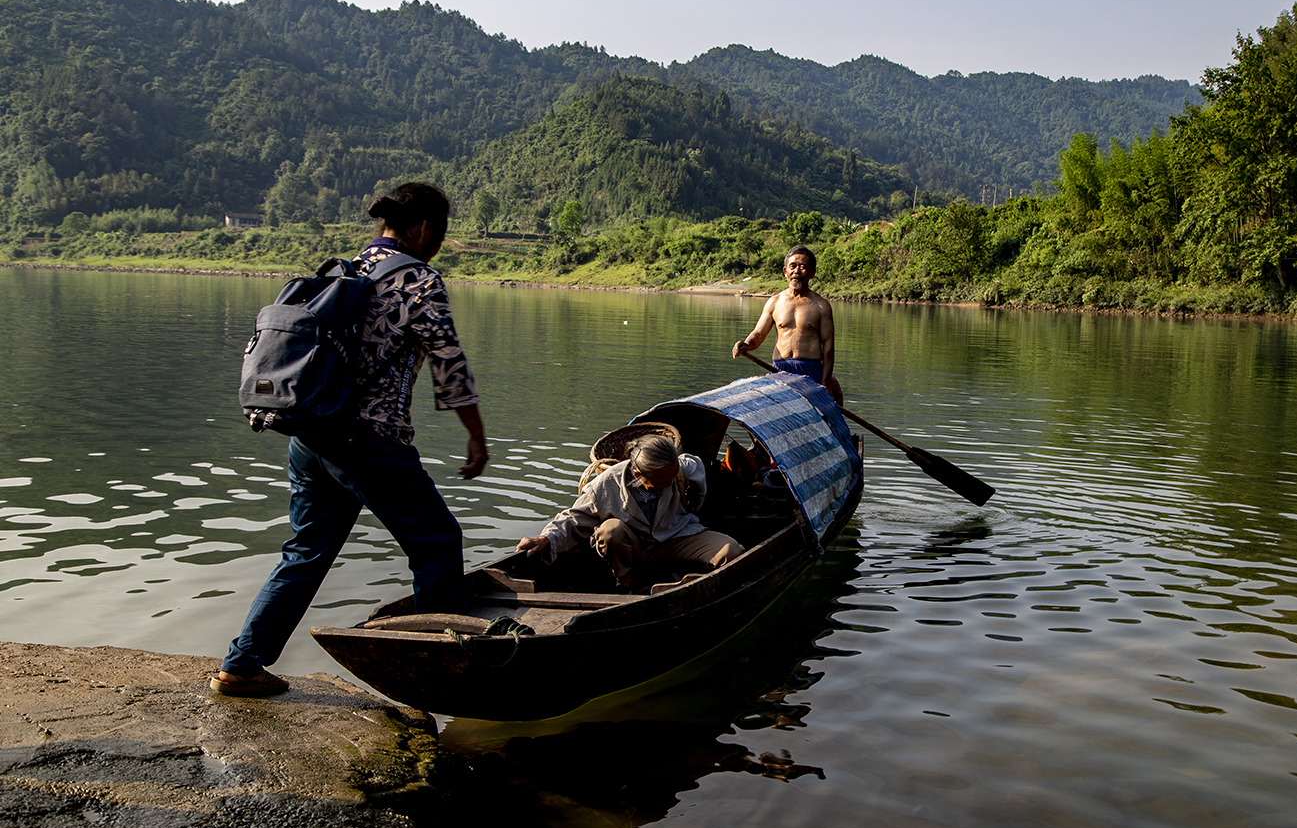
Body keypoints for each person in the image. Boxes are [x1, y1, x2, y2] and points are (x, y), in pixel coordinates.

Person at [212, 182, 489, 697]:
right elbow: (447, 362)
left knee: (306, 550)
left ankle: (243, 663)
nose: (440, 243)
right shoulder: (417, 281)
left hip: (312, 437)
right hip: (371, 442)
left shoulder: (342, 271)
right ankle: (433, 671)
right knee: (438, 544)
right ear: (425, 228)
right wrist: (475, 435)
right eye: (441, 232)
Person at [515, 435, 744, 589]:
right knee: (609, 530)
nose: (669, 483)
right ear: (638, 475)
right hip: (636, 547)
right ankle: (628, 586)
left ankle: (688, 581)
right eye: (662, 481)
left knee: (732, 552)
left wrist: (696, 504)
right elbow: (574, 518)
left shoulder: (681, 469)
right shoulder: (605, 485)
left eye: (672, 477)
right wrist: (546, 538)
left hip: (677, 536)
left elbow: (695, 469)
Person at [731, 244, 843, 405]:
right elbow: (758, 334)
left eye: (803, 267)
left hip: (810, 370)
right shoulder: (774, 302)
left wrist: (825, 381)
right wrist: (746, 344)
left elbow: (828, 347)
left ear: (812, 273)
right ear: (785, 272)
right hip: (779, 370)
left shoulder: (821, 306)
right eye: (793, 266)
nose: (797, 271)